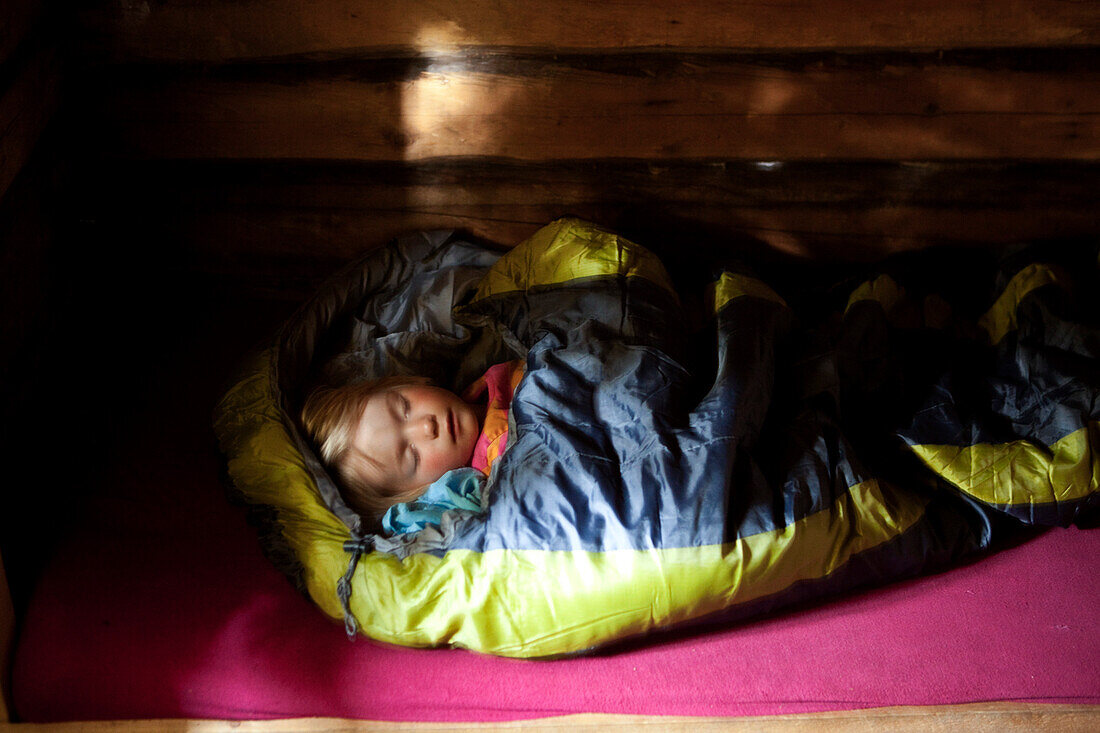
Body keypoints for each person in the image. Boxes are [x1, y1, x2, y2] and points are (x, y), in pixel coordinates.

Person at [301, 360, 524, 532]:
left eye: (404, 408)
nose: (427, 426)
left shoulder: (492, 377)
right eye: (413, 456)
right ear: (421, 494)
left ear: (407, 382)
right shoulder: (499, 472)